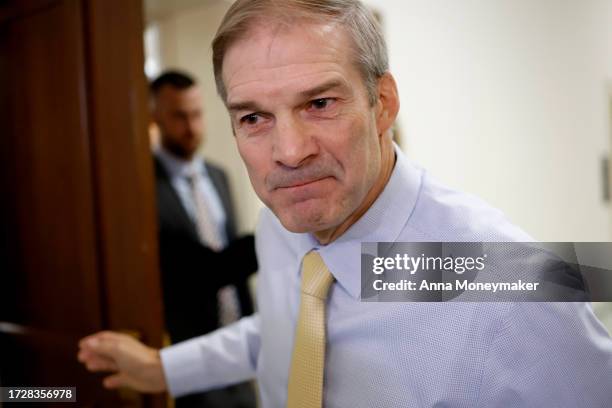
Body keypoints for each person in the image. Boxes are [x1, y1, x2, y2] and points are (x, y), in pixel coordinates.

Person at [78, 1, 612, 407]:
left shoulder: (512, 281)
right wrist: (165, 369)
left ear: (382, 104)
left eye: (319, 103)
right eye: (254, 118)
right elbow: (290, 327)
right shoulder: (281, 226)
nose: (288, 153)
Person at [149, 71, 257, 407]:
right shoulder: (142, 186)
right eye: (179, 116)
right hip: (188, 352)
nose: (191, 126)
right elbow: (202, 271)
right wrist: (282, 232)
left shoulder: (218, 176)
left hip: (241, 347)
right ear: (155, 117)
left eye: (196, 114)